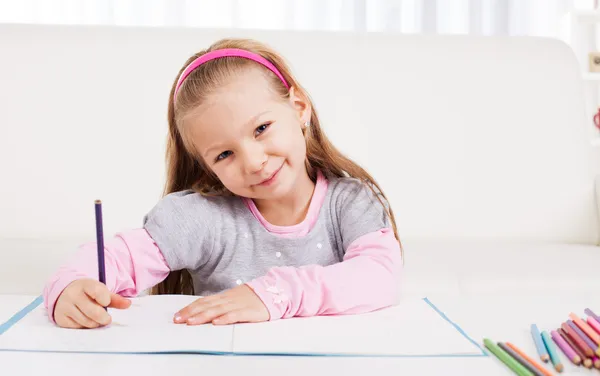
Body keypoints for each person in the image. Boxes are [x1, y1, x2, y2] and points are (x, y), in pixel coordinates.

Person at [43, 38, 403, 329]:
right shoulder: (201, 217)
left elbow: (380, 276)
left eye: (261, 129)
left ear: (298, 107)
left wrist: (273, 294)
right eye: (224, 155)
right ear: (206, 166)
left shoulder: (352, 203)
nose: (253, 161)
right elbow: (116, 259)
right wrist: (69, 288)